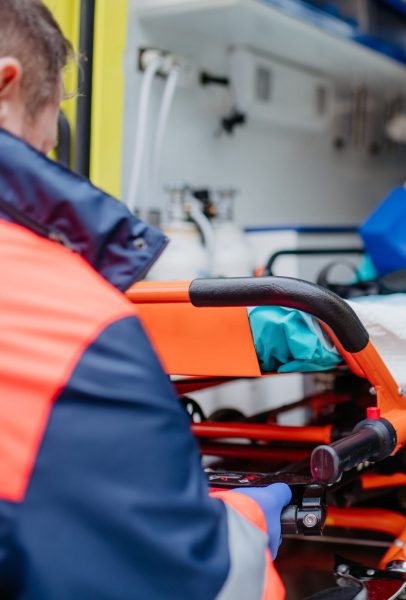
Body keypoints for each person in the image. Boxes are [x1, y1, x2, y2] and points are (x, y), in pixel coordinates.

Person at [0, 1, 291, 598]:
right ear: (7, 85)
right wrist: (250, 522)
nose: (49, 158)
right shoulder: (69, 325)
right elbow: (195, 580)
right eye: (46, 144)